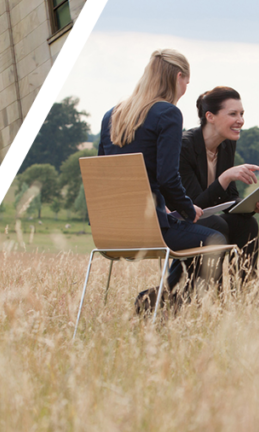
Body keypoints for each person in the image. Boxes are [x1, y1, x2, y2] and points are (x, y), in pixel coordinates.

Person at [97, 49, 226, 310]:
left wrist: (168, 207)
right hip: (150, 230)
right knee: (216, 237)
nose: (185, 89)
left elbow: (104, 174)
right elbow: (168, 178)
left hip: (110, 232)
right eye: (186, 83)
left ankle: (166, 298)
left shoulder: (111, 115)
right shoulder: (167, 113)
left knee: (195, 230)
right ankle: (176, 304)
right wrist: (188, 210)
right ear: (179, 77)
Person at [177, 86, 259, 289]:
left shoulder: (226, 144)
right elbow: (191, 207)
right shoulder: (184, 147)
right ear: (210, 116)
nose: (240, 120)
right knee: (216, 225)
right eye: (233, 114)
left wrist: (251, 206)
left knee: (247, 224)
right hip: (180, 221)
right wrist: (225, 177)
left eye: (242, 114)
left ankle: (245, 297)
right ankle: (212, 296)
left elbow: (228, 198)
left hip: (206, 219)